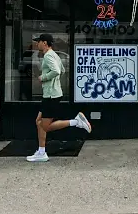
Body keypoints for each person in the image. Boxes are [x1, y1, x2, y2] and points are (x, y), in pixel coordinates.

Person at [26, 33, 91, 162]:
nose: (37, 44)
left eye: (38, 41)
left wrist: (43, 78)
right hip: (51, 94)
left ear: (45, 43)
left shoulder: (48, 56)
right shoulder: (55, 55)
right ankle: (41, 151)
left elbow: (56, 70)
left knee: (45, 126)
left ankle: (76, 122)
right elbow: (62, 70)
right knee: (39, 122)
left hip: (51, 95)